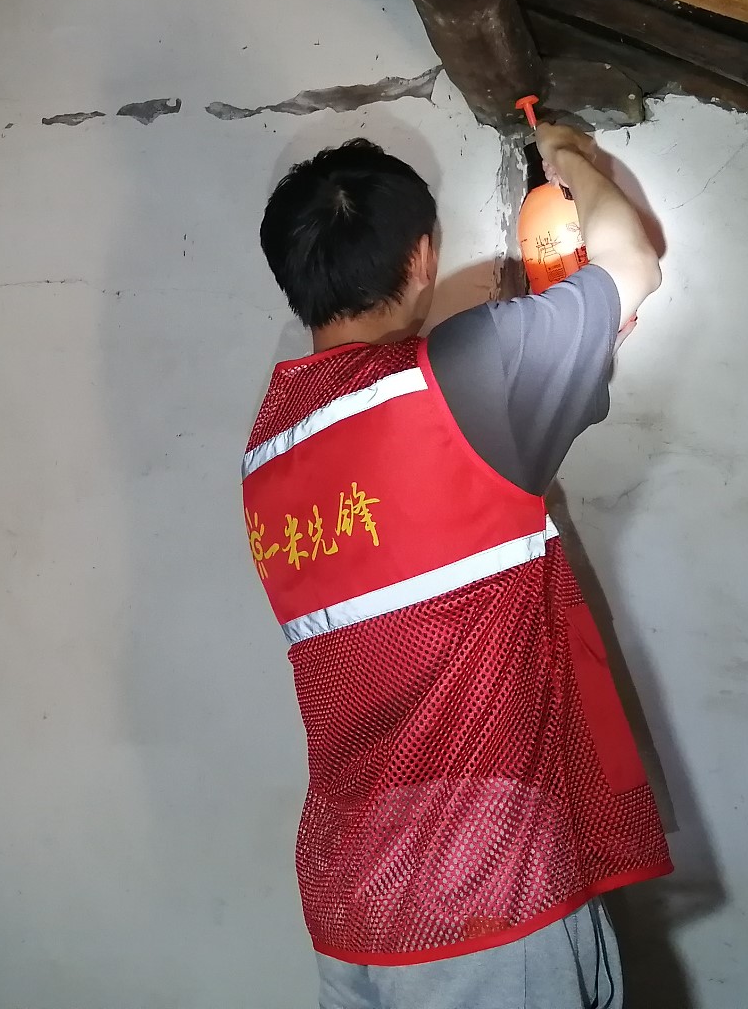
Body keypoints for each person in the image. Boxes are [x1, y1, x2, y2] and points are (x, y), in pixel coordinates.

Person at [241, 122, 671, 1009]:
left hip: (353, 893)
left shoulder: (269, 451)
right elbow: (634, 261)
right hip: (484, 894)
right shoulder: (462, 375)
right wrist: (571, 159)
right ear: (423, 255)